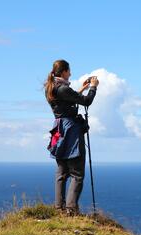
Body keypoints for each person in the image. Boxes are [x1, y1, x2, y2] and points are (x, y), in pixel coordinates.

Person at [44, 59, 99, 216]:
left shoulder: (51, 87)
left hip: (59, 131)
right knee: (77, 173)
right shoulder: (63, 89)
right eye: (69, 71)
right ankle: (71, 210)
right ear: (63, 72)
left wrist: (81, 89)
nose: (71, 74)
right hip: (71, 132)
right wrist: (93, 87)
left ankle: (59, 208)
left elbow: (66, 100)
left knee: (62, 171)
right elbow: (87, 101)